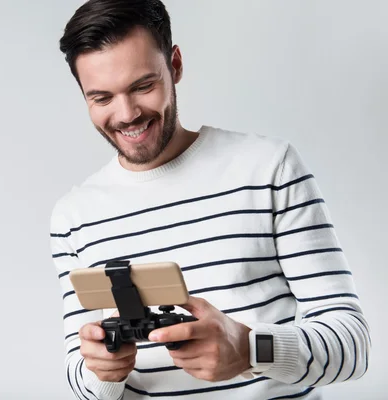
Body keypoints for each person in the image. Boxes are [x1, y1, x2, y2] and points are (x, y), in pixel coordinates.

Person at [49, 1, 371, 399]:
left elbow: (353, 346)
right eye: (101, 98)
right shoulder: (73, 216)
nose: (127, 114)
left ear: (176, 65)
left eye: (143, 86)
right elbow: (84, 385)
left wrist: (250, 349)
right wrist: (104, 373)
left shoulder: (269, 168)